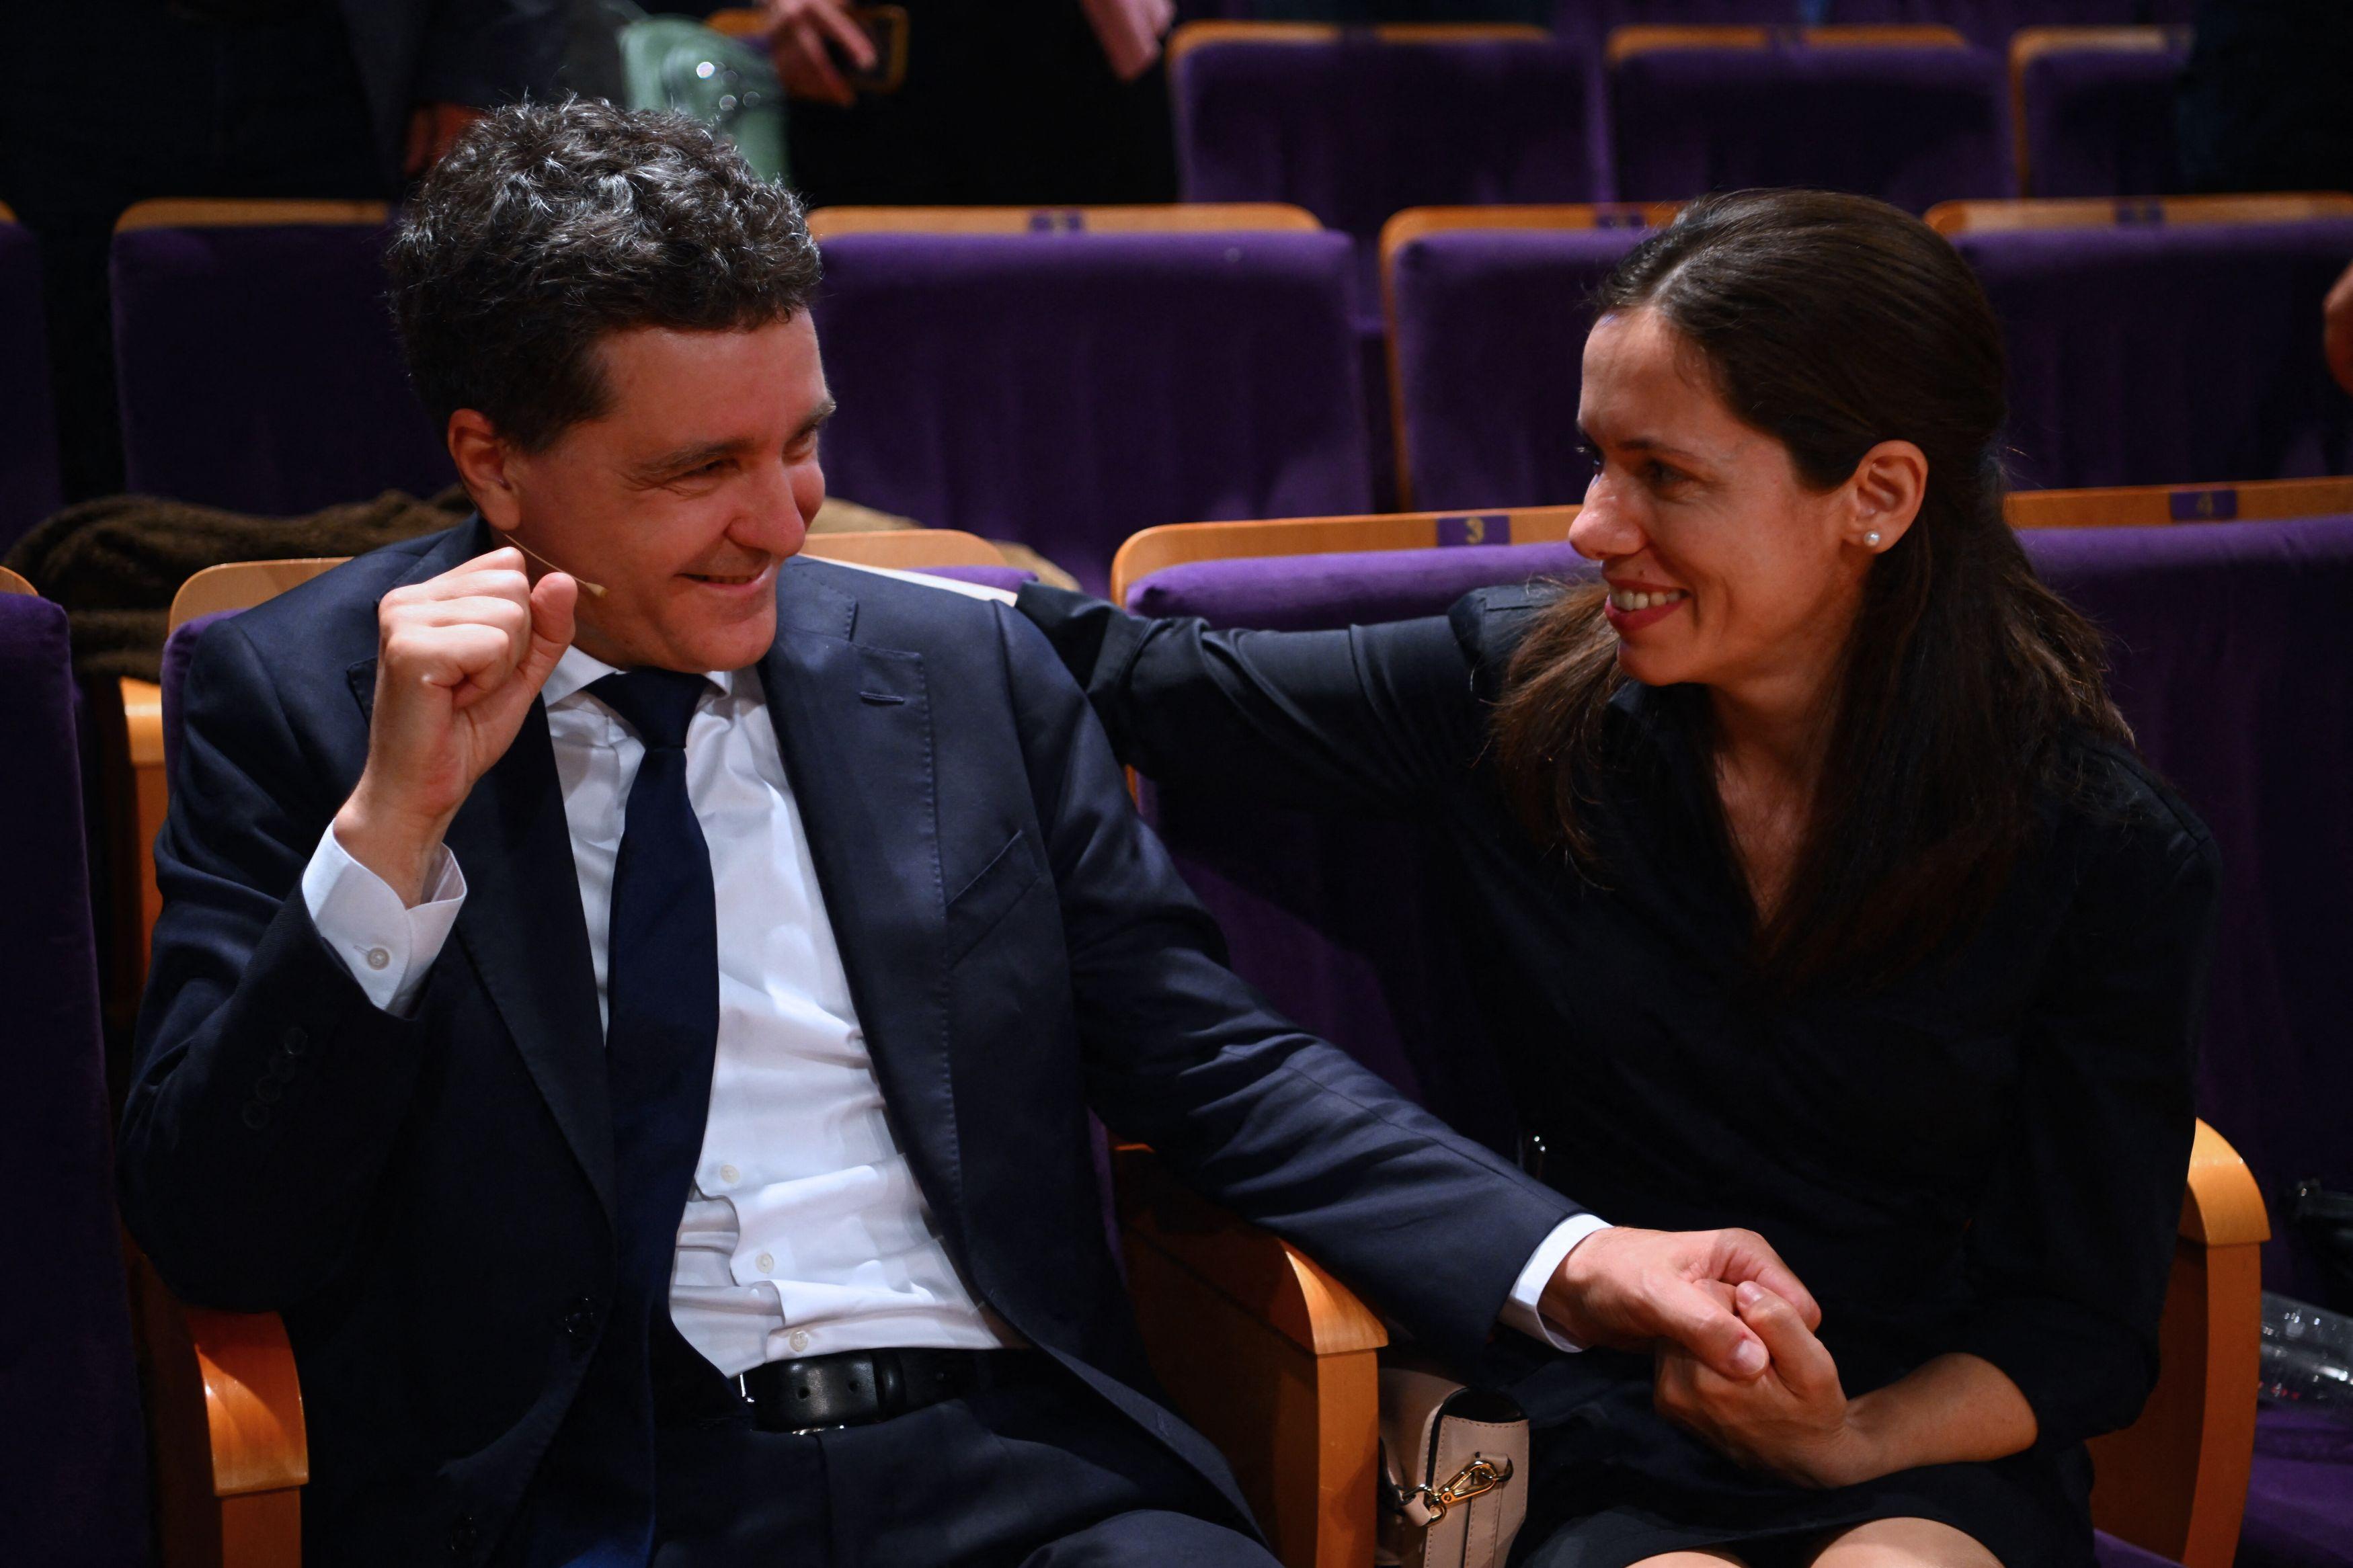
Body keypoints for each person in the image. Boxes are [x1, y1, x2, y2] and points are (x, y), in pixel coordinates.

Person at [118, 103, 1812, 1567]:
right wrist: (397, 827)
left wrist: (1574, 1257)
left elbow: (1213, 1064)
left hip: (1026, 1474)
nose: (782, 521)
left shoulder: (953, 668)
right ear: (494, 464)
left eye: (803, 444)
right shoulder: (306, 701)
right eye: (701, 469)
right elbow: (223, 1226)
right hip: (597, 1493)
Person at [1018, 190, 2221, 1568]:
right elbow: (1134, 677)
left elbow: (2079, 1320)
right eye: (1597, 459)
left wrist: (1852, 1437)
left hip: (1914, 1435)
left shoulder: (2102, 847)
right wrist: (823, 558)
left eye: (1665, 474)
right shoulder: (1517, 694)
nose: (1592, 525)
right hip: (1599, 1413)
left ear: (1877, 497)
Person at [0, 0, 563, 503]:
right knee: (72, 387)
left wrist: (484, 69)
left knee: (357, 404)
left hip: (337, 54)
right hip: (66, 52)